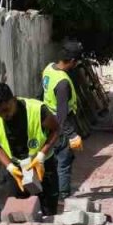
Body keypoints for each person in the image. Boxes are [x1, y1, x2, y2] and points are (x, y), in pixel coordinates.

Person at [0, 82, 60, 217]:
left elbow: (55, 130)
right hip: (17, 170)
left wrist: (41, 155)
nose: (4, 115)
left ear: (14, 99)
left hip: (42, 165)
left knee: (48, 210)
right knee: (17, 212)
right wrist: (10, 167)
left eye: (6, 109)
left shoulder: (38, 110)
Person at [42, 41, 84, 205]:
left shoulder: (49, 69)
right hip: (60, 126)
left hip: (47, 119)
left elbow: (42, 94)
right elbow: (62, 114)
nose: (76, 65)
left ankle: (50, 190)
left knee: (51, 158)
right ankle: (63, 195)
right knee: (64, 161)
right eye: (76, 62)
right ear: (72, 61)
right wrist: (72, 135)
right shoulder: (63, 83)